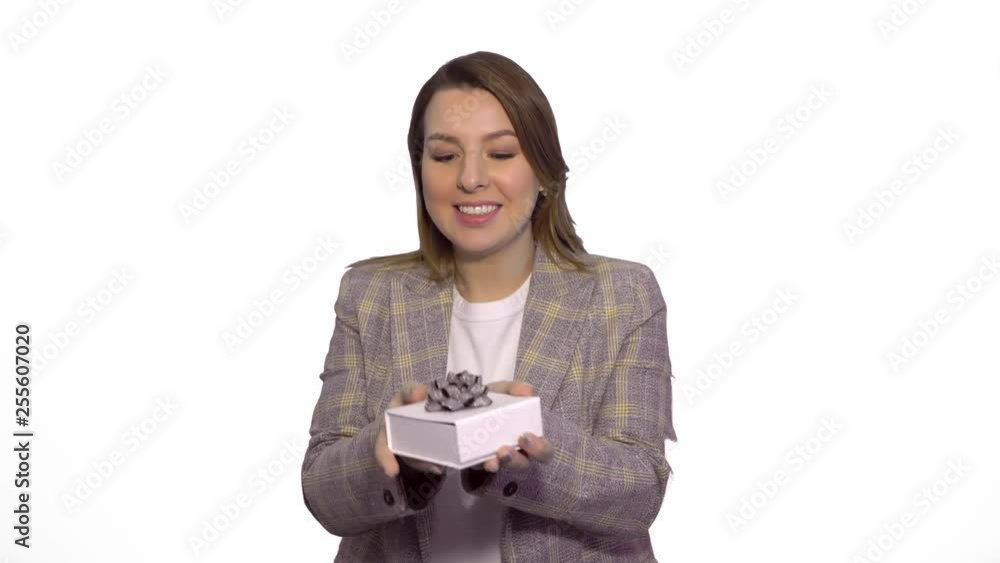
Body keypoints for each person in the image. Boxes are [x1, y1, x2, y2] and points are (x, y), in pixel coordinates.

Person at [300, 50, 678, 562]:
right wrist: (387, 449)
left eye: (500, 153)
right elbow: (323, 493)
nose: (471, 178)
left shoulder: (622, 295)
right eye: (445, 156)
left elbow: (640, 495)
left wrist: (536, 446)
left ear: (545, 172)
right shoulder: (370, 295)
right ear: (420, 170)